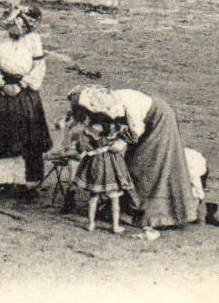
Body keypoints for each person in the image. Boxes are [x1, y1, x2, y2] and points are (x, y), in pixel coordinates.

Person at [69, 85, 198, 231]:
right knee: (132, 163)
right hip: (144, 124)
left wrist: (121, 142)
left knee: (149, 165)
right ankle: (129, 209)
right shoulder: (108, 100)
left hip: (159, 121)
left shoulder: (129, 106)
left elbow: (136, 129)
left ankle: (156, 215)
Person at [0, 3, 53, 196]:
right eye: (11, 28)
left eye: (19, 29)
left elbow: (39, 67)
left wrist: (22, 85)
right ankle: (4, 180)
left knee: (27, 137)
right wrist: (1, 84)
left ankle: (26, 183)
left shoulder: (34, 40)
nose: (14, 32)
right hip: (2, 91)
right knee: (1, 136)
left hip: (25, 92)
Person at [72, 114, 135, 235]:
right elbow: (132, 137)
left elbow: (82, 145)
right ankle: (115, 226)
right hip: (113, 162)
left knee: (94, 195)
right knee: (115, 196)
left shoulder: (92, 129)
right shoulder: (117, 127)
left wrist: (89, 149)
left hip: (96, 162)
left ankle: (91, 223)